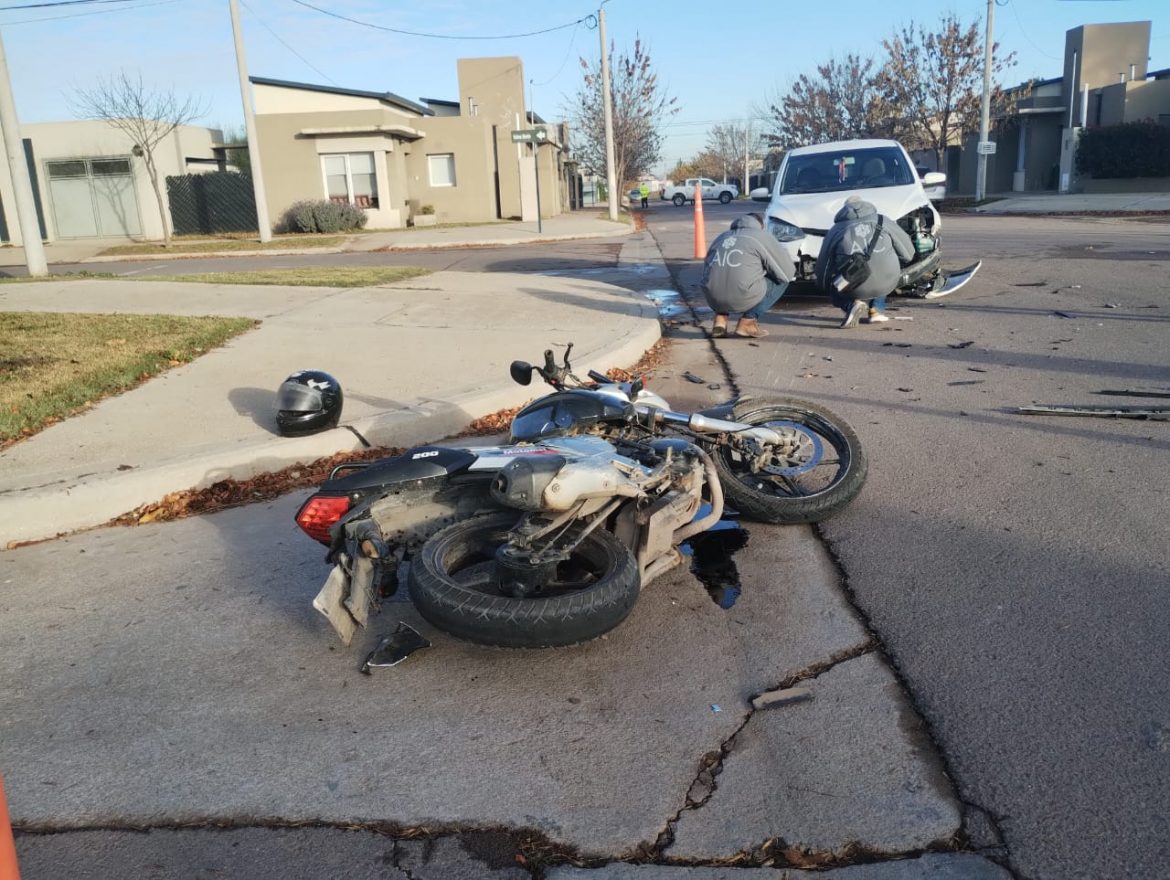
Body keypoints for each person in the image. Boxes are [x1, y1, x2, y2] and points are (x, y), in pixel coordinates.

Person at [815, 195, 915, 329]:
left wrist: (823, 283)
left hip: (854, 283)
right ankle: (876, 311)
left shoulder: (836, 229)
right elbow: (908, 252)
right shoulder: (883, 221)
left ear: (844, 210)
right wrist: (902, 261)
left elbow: (824, 264)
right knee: (882, 265)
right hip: (888, 278)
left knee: (836, 289)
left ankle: (851, 305)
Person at [702, 213, 793, 339]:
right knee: (783, 281)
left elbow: (707, 269)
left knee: (722, 277)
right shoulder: (761, 236)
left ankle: (720, 320)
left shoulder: (721, 237)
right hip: (741, 294)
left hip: (712, 296)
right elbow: (786, 273)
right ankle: (748, 322)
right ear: (760, 226)